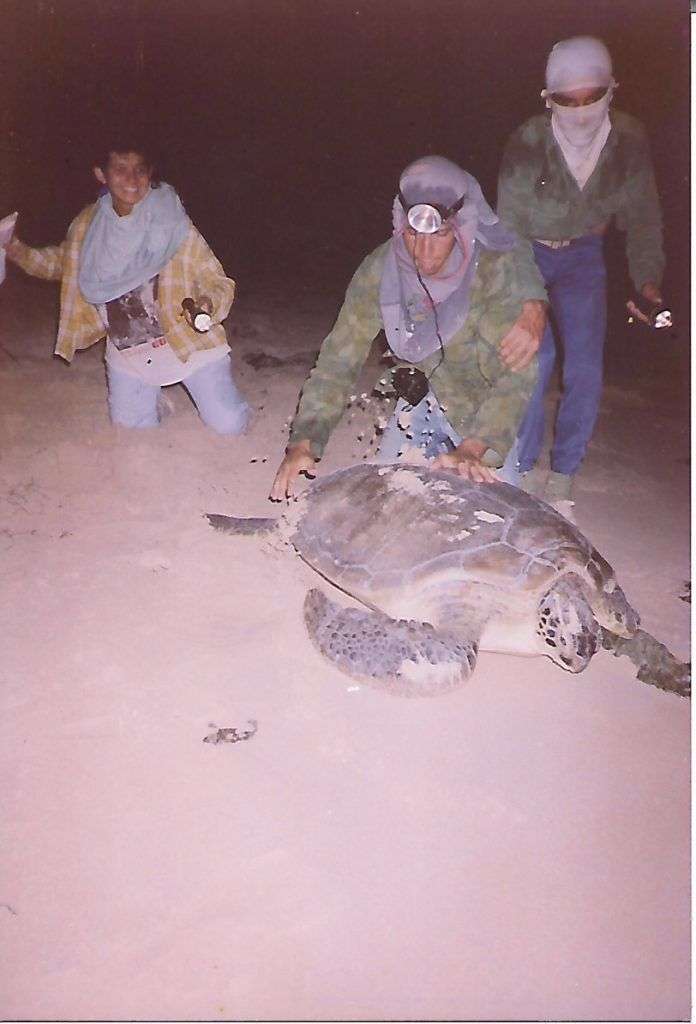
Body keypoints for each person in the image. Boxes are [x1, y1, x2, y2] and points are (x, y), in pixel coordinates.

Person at [271, 155, 548, 500]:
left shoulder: (493, 273)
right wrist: (305, 441)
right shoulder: (380, 270)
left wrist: (474, 448)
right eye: (413, 234)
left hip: (480, 417)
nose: (424, 250)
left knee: (493, 511)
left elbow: (518, 375)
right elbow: (337, 362)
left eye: (440, 234)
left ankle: (513, 463)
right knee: (385, 499)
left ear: (461, 226)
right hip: (418, 404)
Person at [497, 35, 665, 513]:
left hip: (584, 256)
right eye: (567, 101)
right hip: (527, 250)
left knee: (586, 367)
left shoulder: (630, 138)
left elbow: (644, 218)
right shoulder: (528, 140)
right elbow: (507, 230)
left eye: (592, 97)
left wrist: (647, 281)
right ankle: (522, 466)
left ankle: (565, 472)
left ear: (613, 89)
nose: (581, 109)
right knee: (536, 354)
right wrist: (530, 305)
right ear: (548, 100)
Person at [6, 138, 250, 434]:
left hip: (189, 346)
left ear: (150, 173)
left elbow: (218, 281)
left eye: (140, 169)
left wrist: (208, 304)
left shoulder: (172, 220)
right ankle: (158, 401)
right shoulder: (88, 227)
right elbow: (60, 264)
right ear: (101, 174)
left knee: (230, 426)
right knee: (132, 432)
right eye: (120, 169)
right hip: (129, 355)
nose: (132, 179)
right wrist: (14, 248)